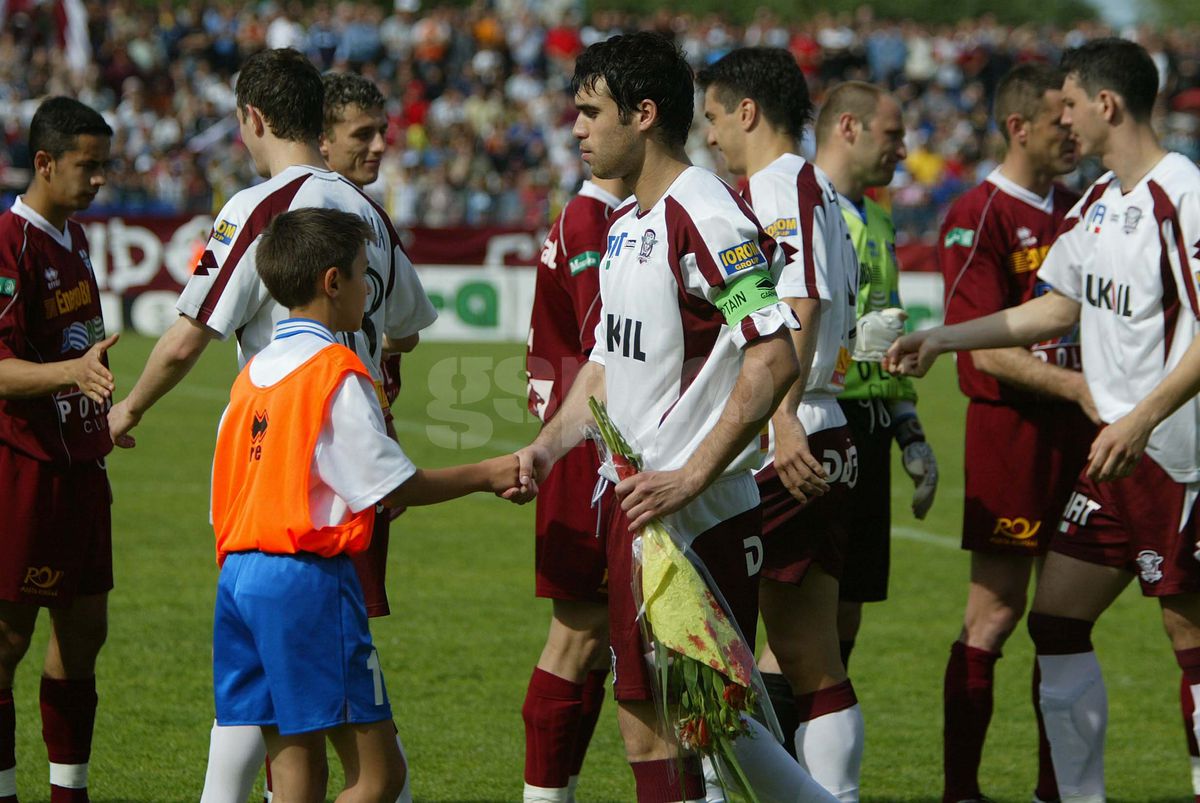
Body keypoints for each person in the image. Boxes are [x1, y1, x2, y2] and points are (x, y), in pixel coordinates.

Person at [103, 48, 436, 802]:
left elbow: (190, 333)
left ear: (253, 119)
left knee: (286, 661)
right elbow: (410, 324)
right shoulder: (369, 212)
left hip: (286, 468)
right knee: (319, 670)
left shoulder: (261, 207)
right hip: (360, 459)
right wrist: (371, 347)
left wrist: (128, 407)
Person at [514, 32, 836, 803]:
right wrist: (548, 446)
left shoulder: (706, 214)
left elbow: (773, 353)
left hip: (697, 519)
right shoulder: (627, 224)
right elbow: (601, 367)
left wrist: (689, 476)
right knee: (695, 721)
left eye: (592, 112)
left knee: (669, 719)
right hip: (647, 513)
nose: (579, 129)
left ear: (645, 113)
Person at [887, 38, 1200, 803]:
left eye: (1067, 105)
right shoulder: (1099, 202)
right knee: (1056, 619)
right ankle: (1072, 796)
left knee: (1188, 635)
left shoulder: (1181, 191)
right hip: (1114, 459)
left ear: (1106, 105)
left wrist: (1143, 416)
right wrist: (944, 336)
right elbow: (1058, 305)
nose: (1059, 121)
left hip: (1175, 459)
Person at [210, 206, 523, 803]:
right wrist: (487, 472)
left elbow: (222, 494)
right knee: (380, 777)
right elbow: (390, 487)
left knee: (296, 772)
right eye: (362, 275)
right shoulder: (336, 369)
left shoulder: (250, 376)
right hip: (305, 580)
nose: (367, 289)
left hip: (240, 579)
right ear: (333, 283)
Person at [699, 48, 864, 802]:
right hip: (819, 418)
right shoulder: (815, 187)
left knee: (705, 640)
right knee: (807, 654)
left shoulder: (780, 183)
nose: (706, 136)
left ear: (746, 110)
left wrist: (784, 418)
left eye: (710, 117)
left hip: (788, 426)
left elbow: (801, 303)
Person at [934, 63, 1098, 803]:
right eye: (1058, 121)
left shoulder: (1087, 206)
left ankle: (1052, 789)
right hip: (1012, 433)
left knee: (1065, 617)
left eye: (1077, 118)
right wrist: (1080, 387)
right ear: (1017, 127)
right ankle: (962, 790)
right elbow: (984, 344)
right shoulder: (980, 211)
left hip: (1085, 436)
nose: (1073, 132)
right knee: (995, 613)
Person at [0, 96, 116, 803]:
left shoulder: (72, 237)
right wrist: (71, 375)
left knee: (84, 634)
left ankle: (68, 794)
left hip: (81, 465)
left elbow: (78, 350)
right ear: (45, 162)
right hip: (25, 469)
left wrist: (92, 403)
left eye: (105, 166)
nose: (100, 180)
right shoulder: (10, 239)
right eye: (87, 166)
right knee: (7, 643)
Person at [809, 81, 937, 669]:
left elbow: (881, 336)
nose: (903, 150)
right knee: (802, 606)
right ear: (848, 128)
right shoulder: (806, 207)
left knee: (850, 601)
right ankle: (777, 749)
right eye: (892, 135)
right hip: (820, 418)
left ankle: (815, 746)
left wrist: (908, 426)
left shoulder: (877, 218)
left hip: (873, 422)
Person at [521, 173, 627, 803]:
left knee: (599, 645)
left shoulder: (602, 215)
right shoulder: (593, 221)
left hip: (592, 442)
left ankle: (560, 789)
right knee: (579, 636)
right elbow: (606, 349)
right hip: (590, 447)